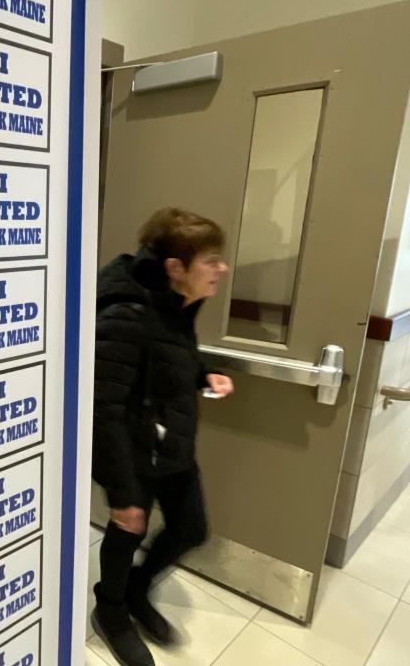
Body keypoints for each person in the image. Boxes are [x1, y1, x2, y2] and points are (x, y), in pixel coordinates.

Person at [90, 207, 234, 666]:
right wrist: (122, 492)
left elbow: (173, 355)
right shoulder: (126, 314)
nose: (221, 268)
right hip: (133, 452)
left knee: (191, 528)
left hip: (172, 443)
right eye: (210, 260)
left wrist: (204, 374)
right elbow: (103, 409)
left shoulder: (176, 302)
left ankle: (136, 588)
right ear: (175, 268)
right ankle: (110, 610)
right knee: (126, 531)